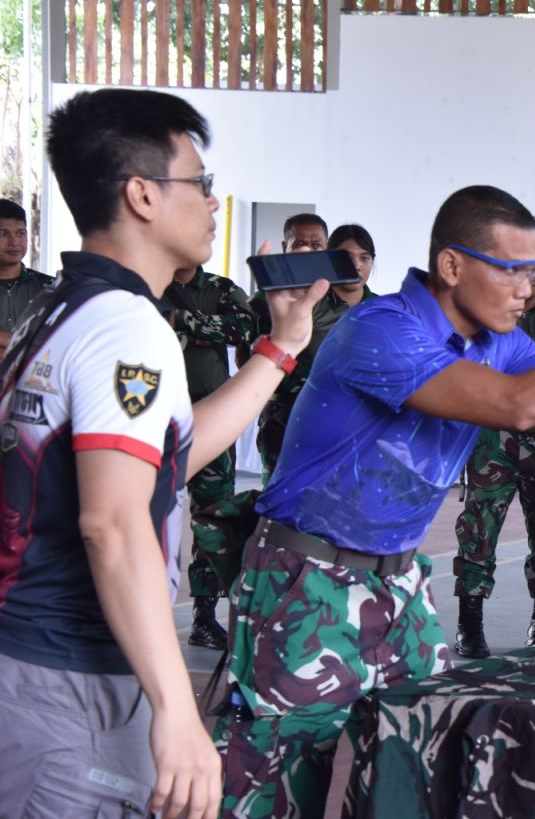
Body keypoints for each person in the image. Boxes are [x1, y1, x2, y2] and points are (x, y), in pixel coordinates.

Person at [214, 186, 535, 816]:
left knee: (411, 776)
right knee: (271, 787)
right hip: (305, 580)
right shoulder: (380, 328)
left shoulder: (502, 341)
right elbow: (515, 406)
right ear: (453, 266)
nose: (529, 285)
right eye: (512, 269)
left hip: (400, 584)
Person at [0, 87, 326, 819]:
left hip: (46, 665)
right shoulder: (125, 327)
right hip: (70, 678)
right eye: (201, 183)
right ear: (143, 194)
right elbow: (111, 525)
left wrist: (281, 349)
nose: (213, 203)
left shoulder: (61, 307)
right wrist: (178, 711)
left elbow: (165, 458)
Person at [452, 238, 535, 657]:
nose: (528, 277)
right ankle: (469, 625)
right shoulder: (486, 313)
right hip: (491, 436)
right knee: (478, 529)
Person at [164, 265, 257, 649]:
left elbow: (244, 329)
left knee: (212, 517)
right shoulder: (149, 281)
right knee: (149, 518)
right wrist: (206, 330)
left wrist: (181, 321)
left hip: (211, 419)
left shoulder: (220, 288)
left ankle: (205, 617)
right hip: (156, 418)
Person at [247, 217, 378, 481]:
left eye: (365, 258)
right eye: (347, 256)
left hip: (354, 426)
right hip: (291, 420)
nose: (356, 264)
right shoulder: (298, 302)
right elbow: (253, 357)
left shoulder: (381, 309)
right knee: (281, 500)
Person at [0, 198, 54, 349]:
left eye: (20, 233)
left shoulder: (51, 288)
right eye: (3, 234)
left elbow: (57, 342)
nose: (14, 242)